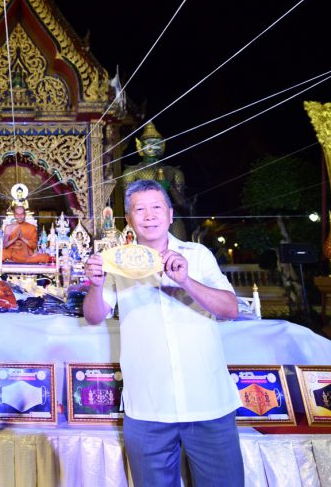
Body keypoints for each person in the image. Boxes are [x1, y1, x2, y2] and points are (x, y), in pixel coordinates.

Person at [83, 179, 243, 487]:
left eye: (157, 207)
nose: (149, 215)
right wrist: (96, 283)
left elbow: (230, 309)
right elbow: (93, 317)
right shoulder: (117, 262)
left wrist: (185, 281)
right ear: (129, 219)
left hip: (209, 404)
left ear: (170, 215)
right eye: (139, 210)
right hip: (147, 409)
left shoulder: (197, 255)